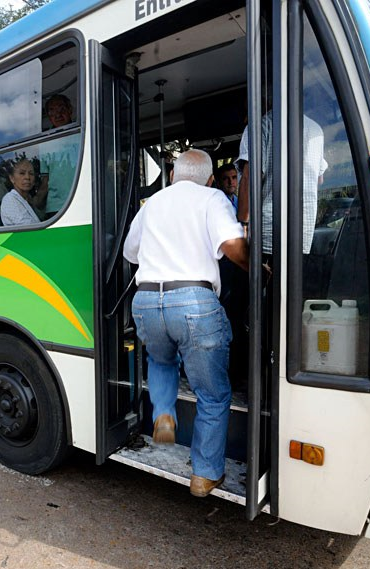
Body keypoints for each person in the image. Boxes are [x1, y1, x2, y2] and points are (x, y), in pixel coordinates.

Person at [123, 149, 249, 498]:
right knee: (212, 392)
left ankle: (164, 413)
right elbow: (231, 245)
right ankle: (204, 475)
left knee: (160, 359)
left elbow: (130, 254)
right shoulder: (212, 197)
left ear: (174, 175)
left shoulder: (152, 204)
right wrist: (257, 269)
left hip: (146, 301)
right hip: (193, 301)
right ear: (210, 178)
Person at [236, 114, 327, 254]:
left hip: (268, 232)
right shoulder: (316, 130)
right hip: (304, 231)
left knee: (268, 274)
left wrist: (242, 224)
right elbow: (319, 179)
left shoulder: (260, 126)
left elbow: (250, 178)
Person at [35, 94, 80, 218]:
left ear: (70, 110)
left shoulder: (83, 133)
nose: (57, 115)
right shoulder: (45, 142)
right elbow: (46, 181)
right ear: (48, 116)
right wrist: (32, 203)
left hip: (82, 202)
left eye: (61, 109)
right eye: (52, 111)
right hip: (55, 208)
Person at [0, 157, 41, 226]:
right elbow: (29, 228)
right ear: (12, 178)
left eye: (31, 174)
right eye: (22, 173)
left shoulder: (27, 199)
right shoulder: (9, 199)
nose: (27, 177)